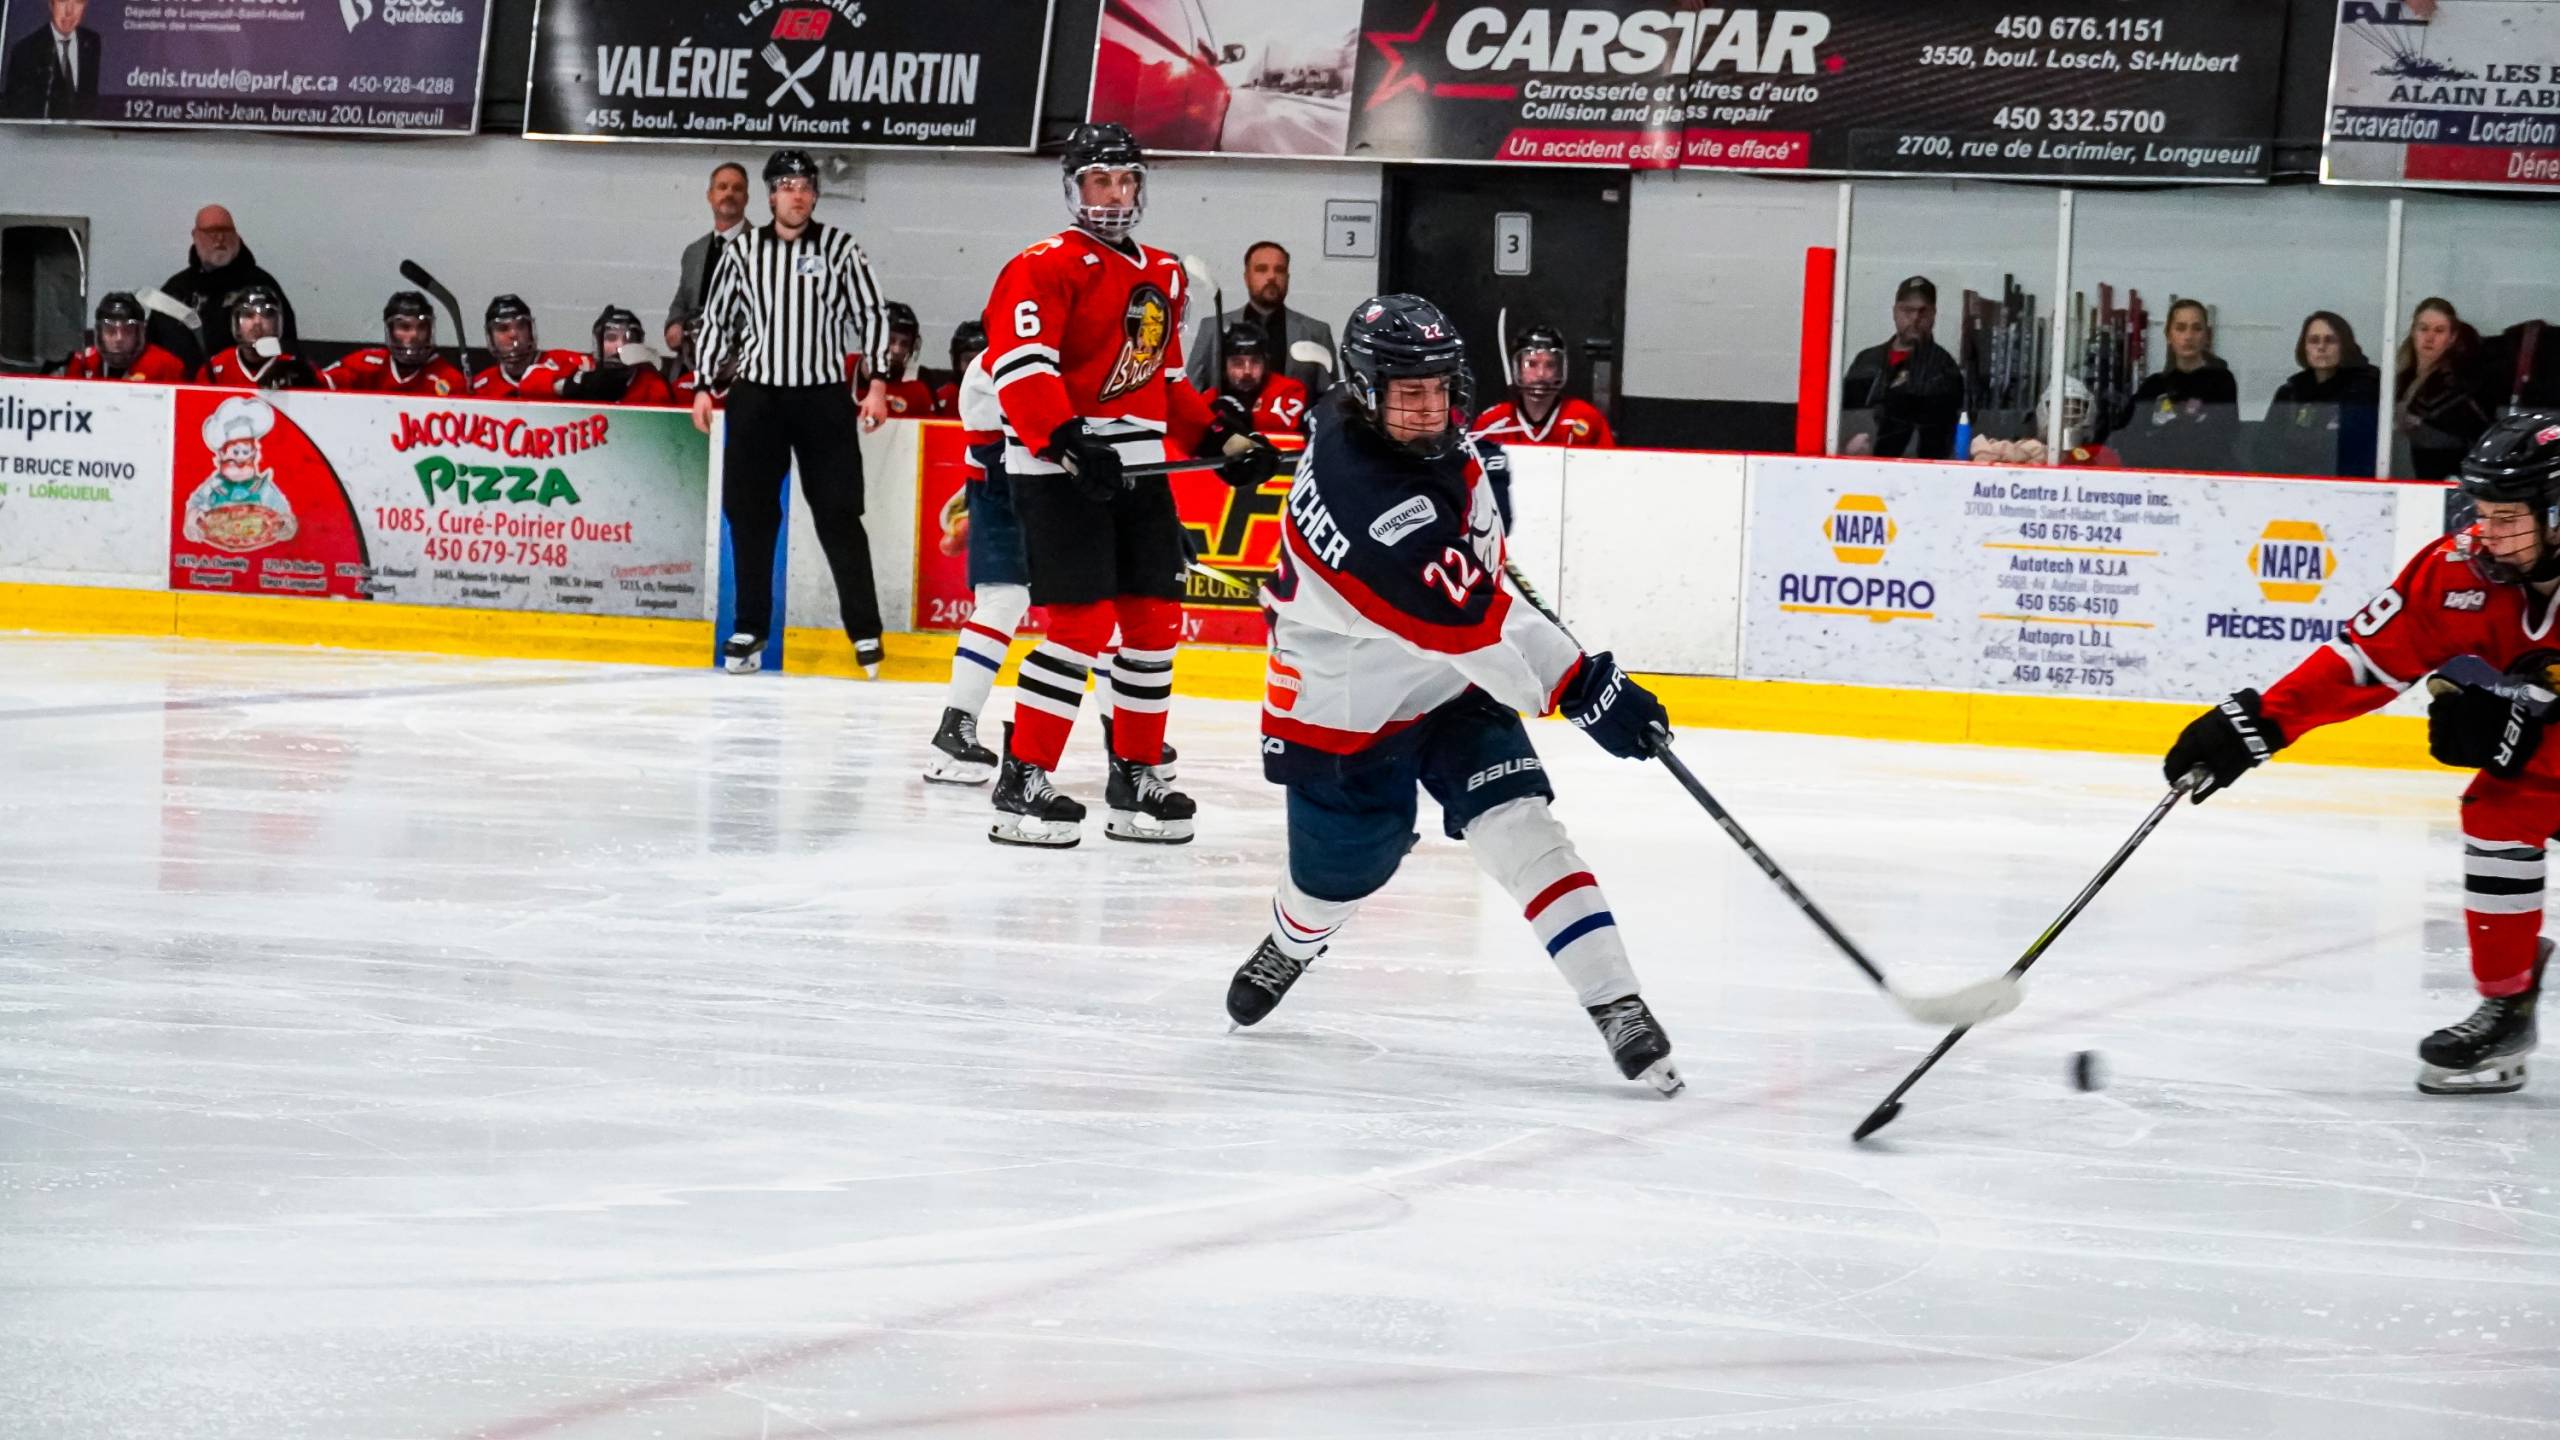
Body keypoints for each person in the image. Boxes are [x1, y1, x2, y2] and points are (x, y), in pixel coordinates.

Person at [1222, 293, 1683, 1094]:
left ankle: (1618, 1004)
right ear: (1368, 393)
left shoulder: (1352, 412)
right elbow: (1485, 627)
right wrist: (1594, 690)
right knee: (1341, 872)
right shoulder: (1378, 513)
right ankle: (1291, 942)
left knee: (1521, 824)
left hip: (1443, 673)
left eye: (1440, 387)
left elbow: (1472, 600)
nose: (1431, 408)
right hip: (1345, 699)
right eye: (1410, 394)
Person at [2164, 411, 2560, 1095]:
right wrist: (2261, 724)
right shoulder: (2454, 572)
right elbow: (2365, 661)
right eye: (2483, 512)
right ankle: (2507, 1003)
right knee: (2498, 810)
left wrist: (2530, 726)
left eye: (2508, 519)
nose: (2485, 533)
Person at [976, 121, 1278, 847]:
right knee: (1079, 627)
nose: (1114, 194)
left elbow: (1165, 383)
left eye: (1125, 180)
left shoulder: (1164, 273)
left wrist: (1220, 438)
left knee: (1153, 622)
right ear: (1074, 189)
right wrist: (1067, 440)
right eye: (1099, 181)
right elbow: (1021, 369)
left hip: (1138, 466)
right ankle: (1024, 775)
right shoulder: (1040, 266)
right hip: (1058, 471)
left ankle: (1135, 774)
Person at [690, 148, 894, 677]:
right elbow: (718, 320)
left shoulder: (841, 247)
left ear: (815, 194)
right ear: (771, 194)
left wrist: (877, 384)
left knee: (840, 514)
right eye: (785, 184)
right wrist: (703, 387)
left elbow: (870, 313)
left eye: (804, 184)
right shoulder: (742, 252)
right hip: (757, 397)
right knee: (750, 516)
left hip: (822, 398)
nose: (796, 193)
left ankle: (866, 631)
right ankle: (750, 626)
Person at [1185, 240, 1335, 395]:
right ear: (1246, 277)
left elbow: (1331, 404)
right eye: (1261, 269)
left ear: (1288, 278)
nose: (1271, 277)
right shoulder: (1212, 329)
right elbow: (1190, 396)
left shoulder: (1317, 333)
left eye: (1280, 270)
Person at [158, 206, 296, 375]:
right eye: (211, 232)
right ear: (195, 235)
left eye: (225, 230)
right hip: (180, 391)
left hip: (245, 389)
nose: (220, 238)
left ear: (237, 234)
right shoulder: (176, 289)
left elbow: (287, 345)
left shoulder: (261, 285)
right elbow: (154, 346)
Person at [1839, 276, 1963, 460]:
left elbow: (1942, 437)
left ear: (1933, 315)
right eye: (1908, 310)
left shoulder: (1944, 369)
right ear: (1895, 312)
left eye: (1923, 311)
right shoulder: (1866, 360)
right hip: (1860, 466)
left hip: (1917, 469)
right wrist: (1847, 444)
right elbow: (1844, 415)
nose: (1915, 318)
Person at [2116, 298, 2240, 472]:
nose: (2188, 336)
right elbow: (2128, 439)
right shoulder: (2152, 387)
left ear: (2206, 335)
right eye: (2180, 328)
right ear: (2169, 335)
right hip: (2156, 484)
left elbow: (2219, 439)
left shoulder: (2221, 382)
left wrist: (2160, 437)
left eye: (2196, 328)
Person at [2257, 311, 2381, 478]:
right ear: (2304, 347)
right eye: (2314, 340)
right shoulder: (2290, 392)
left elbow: (2360, 448)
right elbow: (2264, 448)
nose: (2321, 347)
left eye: (2330, 340)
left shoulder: (2364, 388)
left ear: (2344, 345)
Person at [1469, 323, 1613, 448]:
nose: (1540, 374)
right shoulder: (1491, 423)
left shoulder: (1586, 418)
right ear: (1518, 368)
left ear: (1559, 370)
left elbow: (1609, 469)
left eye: (1550, 365)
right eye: (1531, 364)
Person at [2397, 297, 2492, 482]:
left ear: (2452, 338)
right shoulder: (2404, 379)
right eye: (2423, 328)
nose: (2429, 337)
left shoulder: (2454, 387)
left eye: (2439, 330)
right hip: (2410, 479)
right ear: (2413, 332)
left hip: (2449, 485)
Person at [667, 162, 751, 354]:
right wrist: (675, 323)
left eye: (737, 188)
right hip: (693, 359)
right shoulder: (693, 252)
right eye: (722, 187)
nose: (729, 193)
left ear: (746, 198)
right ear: (710, 196)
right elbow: (682, 300)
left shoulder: (764, 249)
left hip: (743, 363)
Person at [322, 292, 468, 396]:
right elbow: (320, 383)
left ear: (430, 330)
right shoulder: (366, 364)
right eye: (405, 327)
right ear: (390, 330)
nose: (414, 335)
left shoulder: (450, 379)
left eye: (421, 327)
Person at [203, 285, 325, 391]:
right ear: (236, 324)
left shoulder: (293, 368)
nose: (257, 322)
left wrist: (309, 380)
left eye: (266, 315)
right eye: (248, 315)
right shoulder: (217, 366)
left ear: (277, 323)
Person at [469, 295, 587, 400]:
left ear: (530, 330)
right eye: (503, 328)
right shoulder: (480, 388)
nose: (513, 334)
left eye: (520, 326)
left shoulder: (566, 363)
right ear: (491, 337)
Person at [2, 0, 99, 120]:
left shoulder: (92, 42)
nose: (69, 11)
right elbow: (14, 111)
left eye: (78, 2)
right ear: (51, 4)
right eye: (62, 1)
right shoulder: (24, 51)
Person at [60, 292, 189, 382]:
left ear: (139, 333)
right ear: (100, 333)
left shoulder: (167, 365)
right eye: (110, 331)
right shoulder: (84, 362)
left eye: (127, 331)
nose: (119, 338)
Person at [560, 306, 675, 406]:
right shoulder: (583, 375)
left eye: (629, 339)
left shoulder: (653, 383)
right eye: (611, 338)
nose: (620, 345)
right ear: (598, 344)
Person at [1215, 320, 1311, 439]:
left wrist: (1243, 417)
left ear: (1265, 364)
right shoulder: (1211, 398)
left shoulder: (1290, 389)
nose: (1247, 371)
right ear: (1224, 366)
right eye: (1238, 363)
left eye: (1255, 362)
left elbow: (1280, 425)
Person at [870, 301, 937, 417]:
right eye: (890, 341)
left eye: (905, 344)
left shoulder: (919, 386)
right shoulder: (850, 369)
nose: (897, 350)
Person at [931, 320, 986, 417]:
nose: (976, 367)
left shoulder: (1003, 398)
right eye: (969, 360)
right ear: (957, 362)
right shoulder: (946, 398)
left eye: (982, 360)